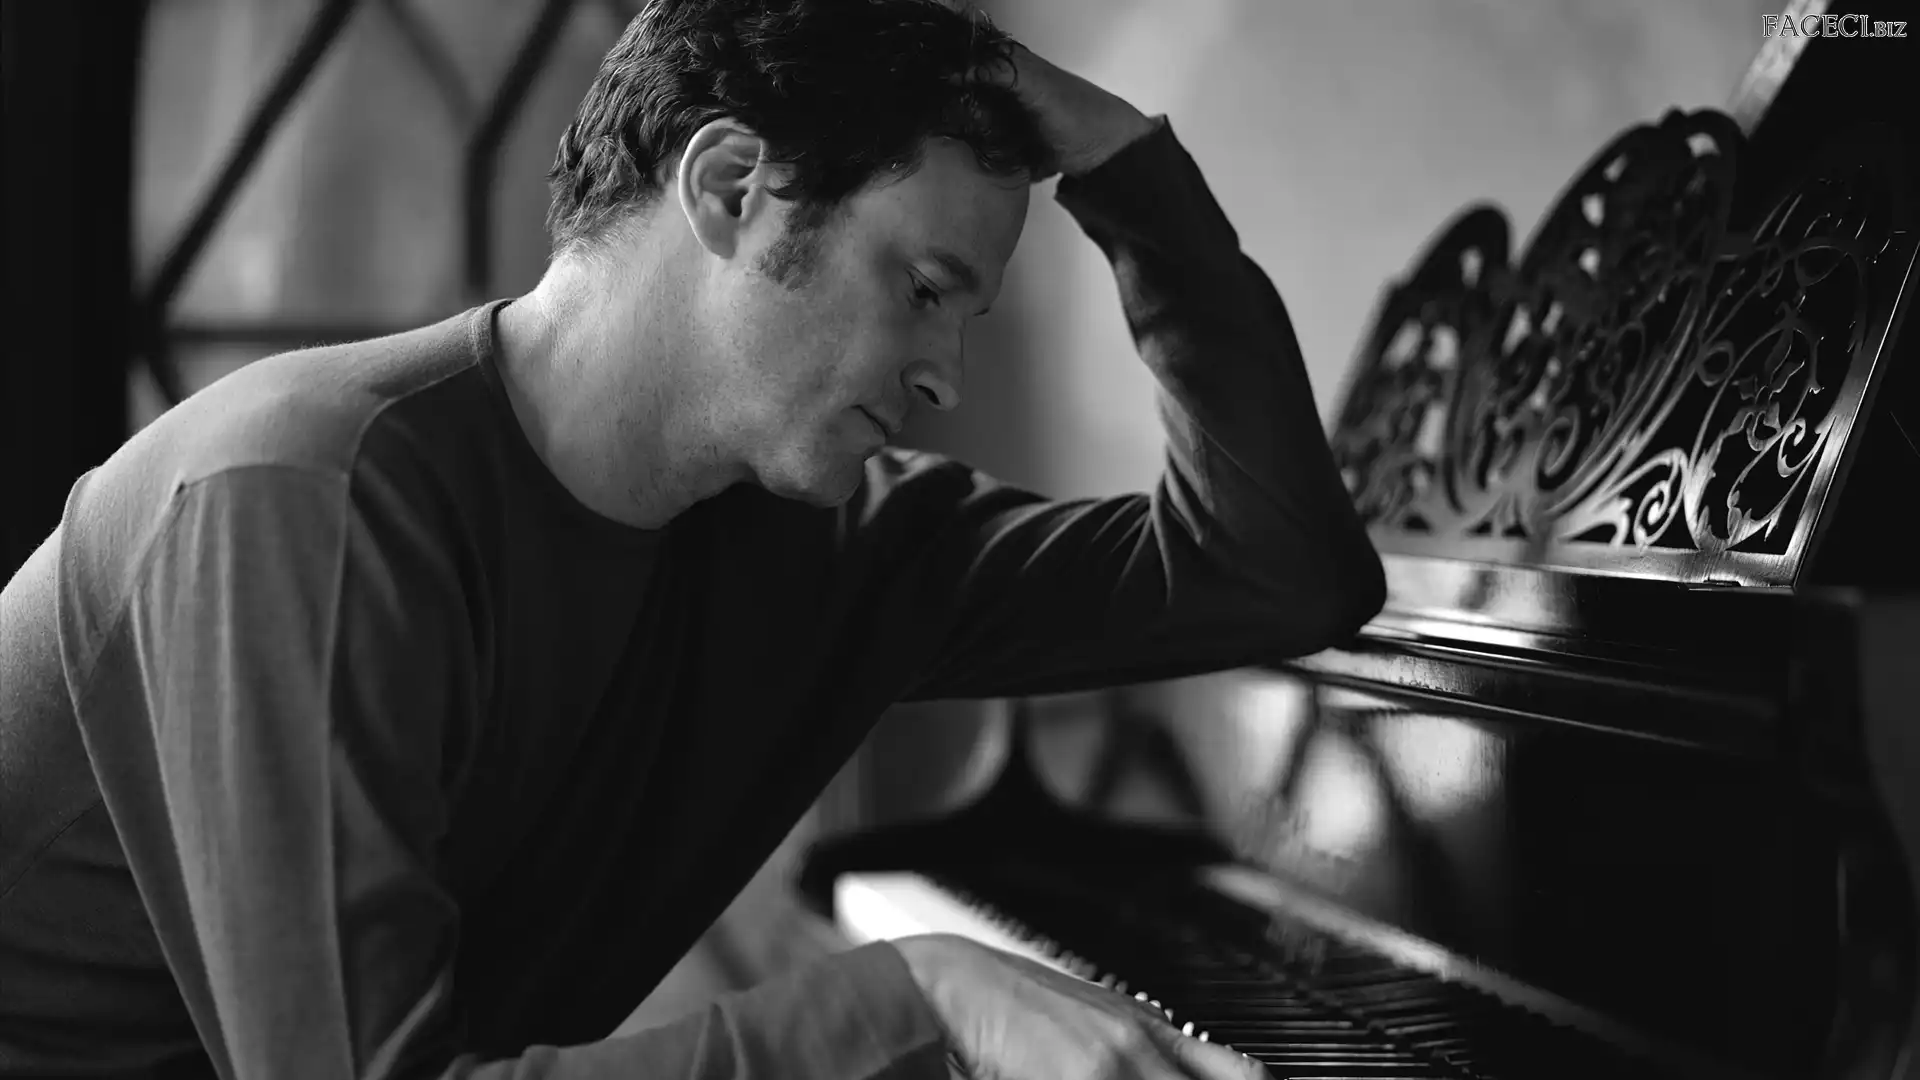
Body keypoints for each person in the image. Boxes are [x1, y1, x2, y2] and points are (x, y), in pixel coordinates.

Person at [0, 0, 1386, 1076]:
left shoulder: (826, 545)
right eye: (923, 288)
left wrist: (1131, 172)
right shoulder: (303, 494)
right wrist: (923, 996)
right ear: (729, 187)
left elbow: (1277, 573)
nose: (946, 379)